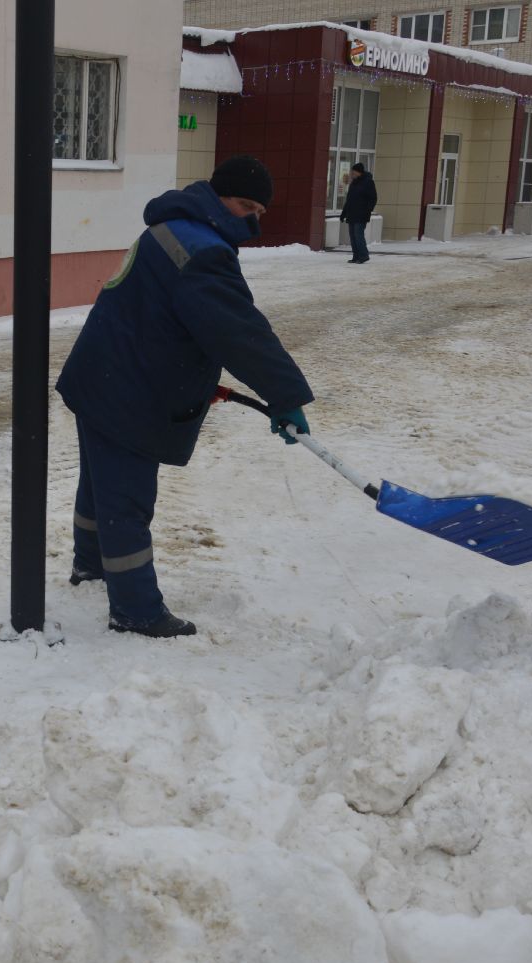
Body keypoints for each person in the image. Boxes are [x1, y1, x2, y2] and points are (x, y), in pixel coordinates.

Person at [55, 155, 315, 638]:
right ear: (218, 196)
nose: (251, 218)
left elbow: (162, 317)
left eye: (259, 209)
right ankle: (135, 609)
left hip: (103, 375)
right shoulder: (203, 252)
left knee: (100, 486)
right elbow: (239, 333)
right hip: (127, 390)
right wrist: (285, 395)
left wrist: (193, 379)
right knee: (126, 501)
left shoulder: (171, 227)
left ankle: (90, 566)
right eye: (244, 205)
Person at [341, 162, 377, 264]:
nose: (352, 173)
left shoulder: (368, 182)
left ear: (358, 172)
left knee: (358, 235)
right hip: (352, 214)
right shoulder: (354, 183)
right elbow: (349, 200)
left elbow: (373, 198)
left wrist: (368, 211)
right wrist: (343, 213)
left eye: (353, 171)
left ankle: (363, 256)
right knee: (352, 237)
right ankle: (356, 256)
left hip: (361, 214)